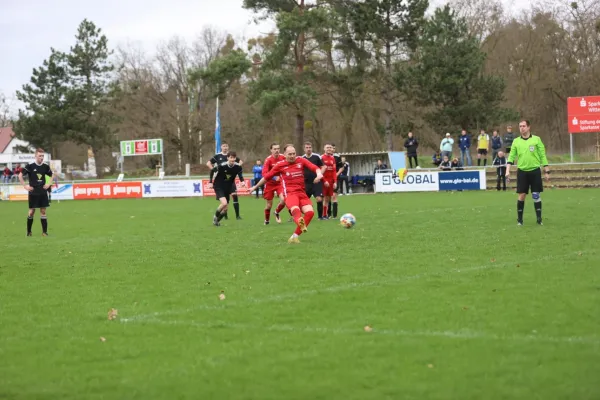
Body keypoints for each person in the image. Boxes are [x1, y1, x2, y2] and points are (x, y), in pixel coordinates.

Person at [248, 144, 324, 243]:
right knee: (296, 210)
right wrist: (255, 187)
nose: (292, 156)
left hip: (302, 193)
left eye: (294, 153)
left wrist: (318, 174)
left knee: (310, 213)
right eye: (290, 154)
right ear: (284, 154)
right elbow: (267, 177)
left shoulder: (301, 160)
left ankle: (294, 236)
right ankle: (300, 223)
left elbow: (314, 167)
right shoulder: (280, 165)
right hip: (290, 194)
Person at [506, 120, 550, 226]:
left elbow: (542, 155)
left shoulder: (536, 139)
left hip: (535, 171)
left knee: (536, 195)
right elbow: (511, 156)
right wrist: (507, 170)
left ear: (529, 127)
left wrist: (547, 170)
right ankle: (520, 220)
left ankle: (539, 220)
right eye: (520, 126)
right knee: (521, 195)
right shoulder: (516, 141)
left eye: (524, 126)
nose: (522, 128)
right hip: (522, 172)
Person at [18, 148, 53, 236]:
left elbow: (52, 175)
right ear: (35, 156)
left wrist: (48, 184)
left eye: (43, 156)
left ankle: (44, 232)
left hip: (42, 192)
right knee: (31, 212)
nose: (41, 158)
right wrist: (25, 186)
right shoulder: (30, 165)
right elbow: (20, 175)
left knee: (43, 211)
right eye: (40, 156)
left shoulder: (45, 166)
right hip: (33, 192)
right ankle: (29, 232)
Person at [207, 142, 243, 220]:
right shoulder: (219, 159)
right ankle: (216, 217)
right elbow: (210, 165)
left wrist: (241, 179)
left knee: (232, 198)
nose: (225, 147)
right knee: (224, 204)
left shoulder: (233, 159)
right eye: (224, 146)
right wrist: (211, 180)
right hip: (220, 183)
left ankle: (236, 215)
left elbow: (240, 166)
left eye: (226, 146)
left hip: (229, 182)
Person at [210, 151, 246, 226]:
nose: (232, 159)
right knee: (224, 203)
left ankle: (216, 222)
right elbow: (212, 170)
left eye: (234, 158)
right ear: (228, 158)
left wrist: (242, 182)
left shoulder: (238, 167)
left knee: (225, 209)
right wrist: (210, 182)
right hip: (218, 186)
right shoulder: (222, 165)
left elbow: (240, 175)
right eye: (231, 158)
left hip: (228, 187)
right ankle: (215, 217)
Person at [262, 143, 287, 224]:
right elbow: (264, 174)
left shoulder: (283, 157)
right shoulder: (268, 160)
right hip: (270, 184)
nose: (277, 150)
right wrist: (273, 177)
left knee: (283, 200)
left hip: (280, 183)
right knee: (269, 205)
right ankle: (267, 220)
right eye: (275, 149)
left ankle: (276, 212)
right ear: (271, 150)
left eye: (278, 149)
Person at [302, 142, 324, 219]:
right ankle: (303, 216)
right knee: (304, 201)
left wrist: (319, 176)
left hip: (316, 182)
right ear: (304, 149)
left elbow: (323, 167)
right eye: (307, 147)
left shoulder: (317, 157)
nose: (308, 149)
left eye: (310, 147)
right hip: (306, 183)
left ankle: (320, 217)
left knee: (319, 199)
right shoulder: (302, 158)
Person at [321, 143, 337, 220]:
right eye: (327, 147)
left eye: (330, 147)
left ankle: (325, 214)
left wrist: (335, 182)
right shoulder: (321, 158)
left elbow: (334, 171)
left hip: (331, 181)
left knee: (328, 198)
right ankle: (323, 215)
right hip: (324, 181)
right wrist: (324, 181)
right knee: (324, 198)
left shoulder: (332, 158)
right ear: (324, 149)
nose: (329, 149)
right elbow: (320, 171)